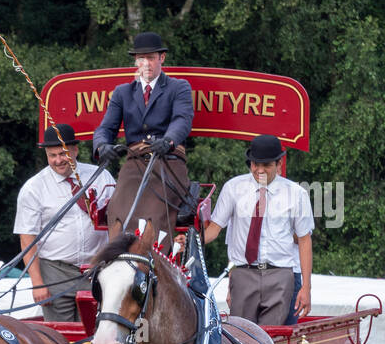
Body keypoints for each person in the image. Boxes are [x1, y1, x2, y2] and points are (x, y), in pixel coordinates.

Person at [91, 31, 193, 238]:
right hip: (135, 163)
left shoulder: (178, 87)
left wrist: (169, 140)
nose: (146, 63)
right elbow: (105, 128)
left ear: (161, 58)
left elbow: (182, 119)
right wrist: (102, 146)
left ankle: (152, 264)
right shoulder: (122, 92)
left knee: (154, 214)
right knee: (117, 210)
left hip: (168, 161)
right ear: (135, 61)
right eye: (141, 58)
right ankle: (118, 260)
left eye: (151, 58)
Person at [203, 134, 313, 326]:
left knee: (272, 341)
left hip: (280, 275)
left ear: (279, 164)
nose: (260, 170)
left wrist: (306, 287)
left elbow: (304, 240)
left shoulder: (296, 194)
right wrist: (188, 239)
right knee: (241, 338)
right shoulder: (233, 188)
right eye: (255, 164)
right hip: (243, 274)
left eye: (267, 165)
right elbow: (215, 230)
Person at [13, 122, 116, 321]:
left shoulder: (102, 176)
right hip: (55, 273)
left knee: (99, 335)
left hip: (97, 271)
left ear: (75, 150)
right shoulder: (34, 188)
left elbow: (119, 222)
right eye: (52, 155)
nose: (58, 160)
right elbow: (27, 238)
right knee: (60, 339)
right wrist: (37, 283)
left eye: (63, 154)